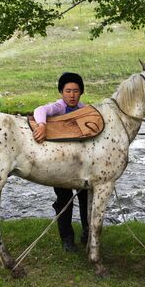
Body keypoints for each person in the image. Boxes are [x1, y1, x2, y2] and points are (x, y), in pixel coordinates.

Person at [33, 72, 89, 252]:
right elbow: (40, 110)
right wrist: (42, 125)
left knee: (86, 198)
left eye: (75, 91)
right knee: (64, 200)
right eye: (68, 91)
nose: (71, 95)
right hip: (61, 165)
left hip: (81, 165)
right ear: (61, 92)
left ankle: (87, 233)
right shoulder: (58, 107)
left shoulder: (84, 109)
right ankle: (67, 239)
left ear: (81, 92)